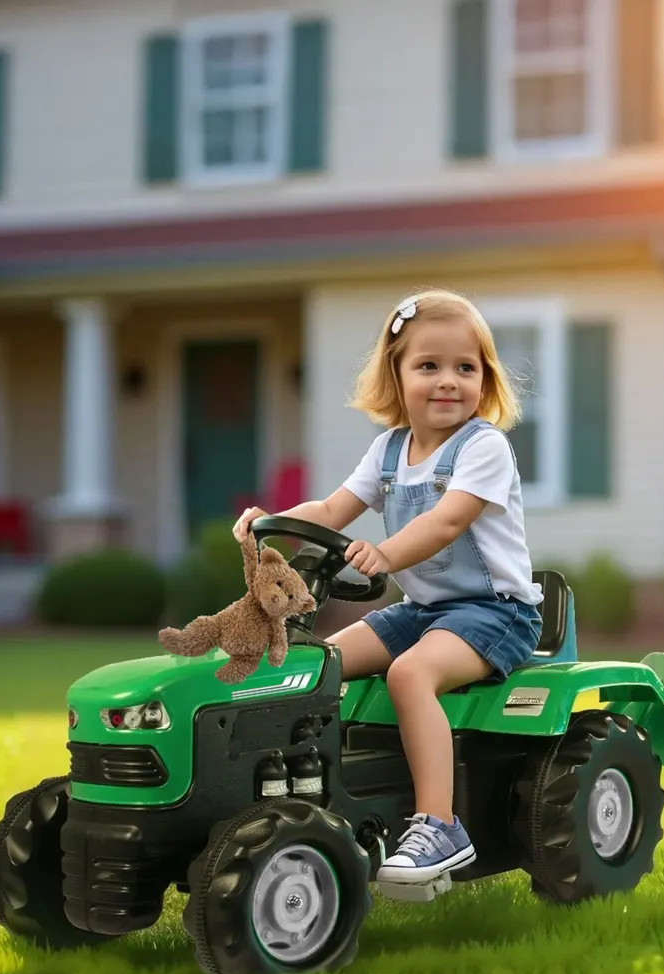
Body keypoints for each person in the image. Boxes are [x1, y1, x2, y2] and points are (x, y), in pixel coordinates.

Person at [233, 288, 543, 885]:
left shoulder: (484, 447)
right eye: (429, 365)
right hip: (422, 611)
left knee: (409, 674)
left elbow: (447, 521)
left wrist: (385, 553)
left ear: (485, 379)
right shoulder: (389, 450)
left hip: (494, 613)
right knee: (316, 666)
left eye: (465, 367)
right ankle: (302, 792)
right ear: (396, 375)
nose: (448, 380)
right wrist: (272, 522)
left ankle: (440, 825)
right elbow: (331, 510)